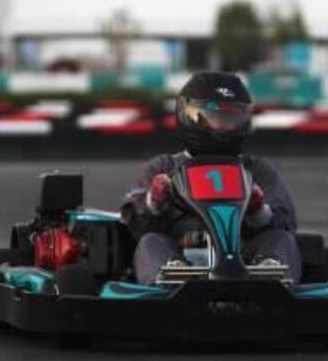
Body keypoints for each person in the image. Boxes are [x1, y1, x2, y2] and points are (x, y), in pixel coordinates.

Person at [121, 72, 302, 285]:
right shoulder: (163, 167)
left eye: (229, 119)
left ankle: (270, 276)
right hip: (179, 254)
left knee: (282, 239)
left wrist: (258, 211)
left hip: (245, 260)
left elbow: (287, 223)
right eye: (213, 119)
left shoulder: (257, 170)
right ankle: (166, 278)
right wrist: (155, 202)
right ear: (187, 116)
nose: (222, 128)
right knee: (150, 242)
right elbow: (131, 226)